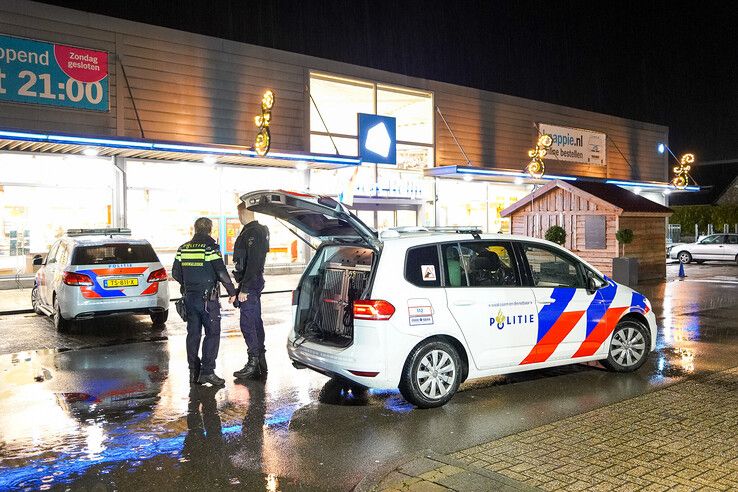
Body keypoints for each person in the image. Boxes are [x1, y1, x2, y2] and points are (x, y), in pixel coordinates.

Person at [172, 217, 237, 386]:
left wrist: (188, 285)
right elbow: (221, 272)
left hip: (189, 298)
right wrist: (232, 292)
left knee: (193, 334)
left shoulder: (182, 248)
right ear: (210, 230)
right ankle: (207, 372)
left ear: (195, 229)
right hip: (208, 300)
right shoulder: (210, 248)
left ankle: (194, 372)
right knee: (212, 333)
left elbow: (175, 273)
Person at [232, 202, 270, 380]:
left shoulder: (253, 232)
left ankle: (253, 363)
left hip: (251, 284)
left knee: (248, 323)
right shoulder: (255, 231)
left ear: (244, 212)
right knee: (254, 321)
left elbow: (253, 263)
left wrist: (244, 288)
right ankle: (260, 361)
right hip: (251, 282)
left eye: (239, 213)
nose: (239, 216)